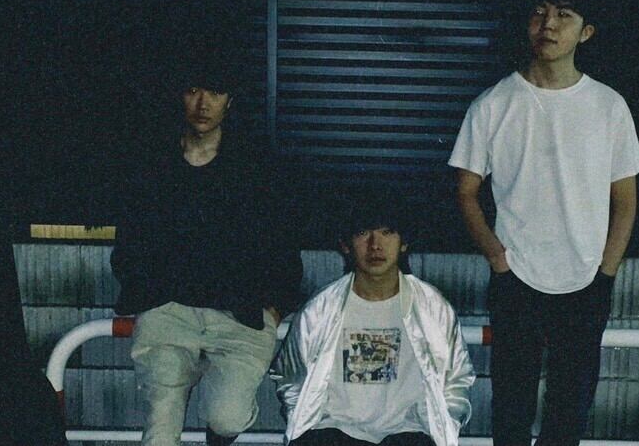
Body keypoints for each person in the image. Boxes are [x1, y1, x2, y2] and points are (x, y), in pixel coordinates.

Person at [448, 0, 639, 445]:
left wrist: (606, 271)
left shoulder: (608, 106)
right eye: (539, 11)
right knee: (511, 408)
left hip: (587, 278)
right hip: (516, 275)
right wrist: (498, 258)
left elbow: (626, 199)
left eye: (564, 15)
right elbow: (465, 192)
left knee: (570, 410)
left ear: (586, 32)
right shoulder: (494, 103)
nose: (549, 24)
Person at [111, 54, 303, 446]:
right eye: (193, 91)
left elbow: (283, 242)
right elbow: (129, 239)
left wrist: (274, 304)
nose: (203, 103)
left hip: (239, 314)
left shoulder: (256, 167)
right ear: (180, 96)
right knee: (161, 424)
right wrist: (144, 292)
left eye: (214, 92)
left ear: (230, 101)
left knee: (227, 416)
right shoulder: (152, 163)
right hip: (169, 309)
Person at [271, 196, 475, 446]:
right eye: (362, 233)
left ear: (403, 243)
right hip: (332, 431)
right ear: (346, 245)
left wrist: (445, 425)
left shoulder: (432, 308)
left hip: (410, 432)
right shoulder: (320, 309)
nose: (375, 245)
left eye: (387, 233)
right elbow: (290, 377)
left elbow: (456, 379)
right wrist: (303, 425)